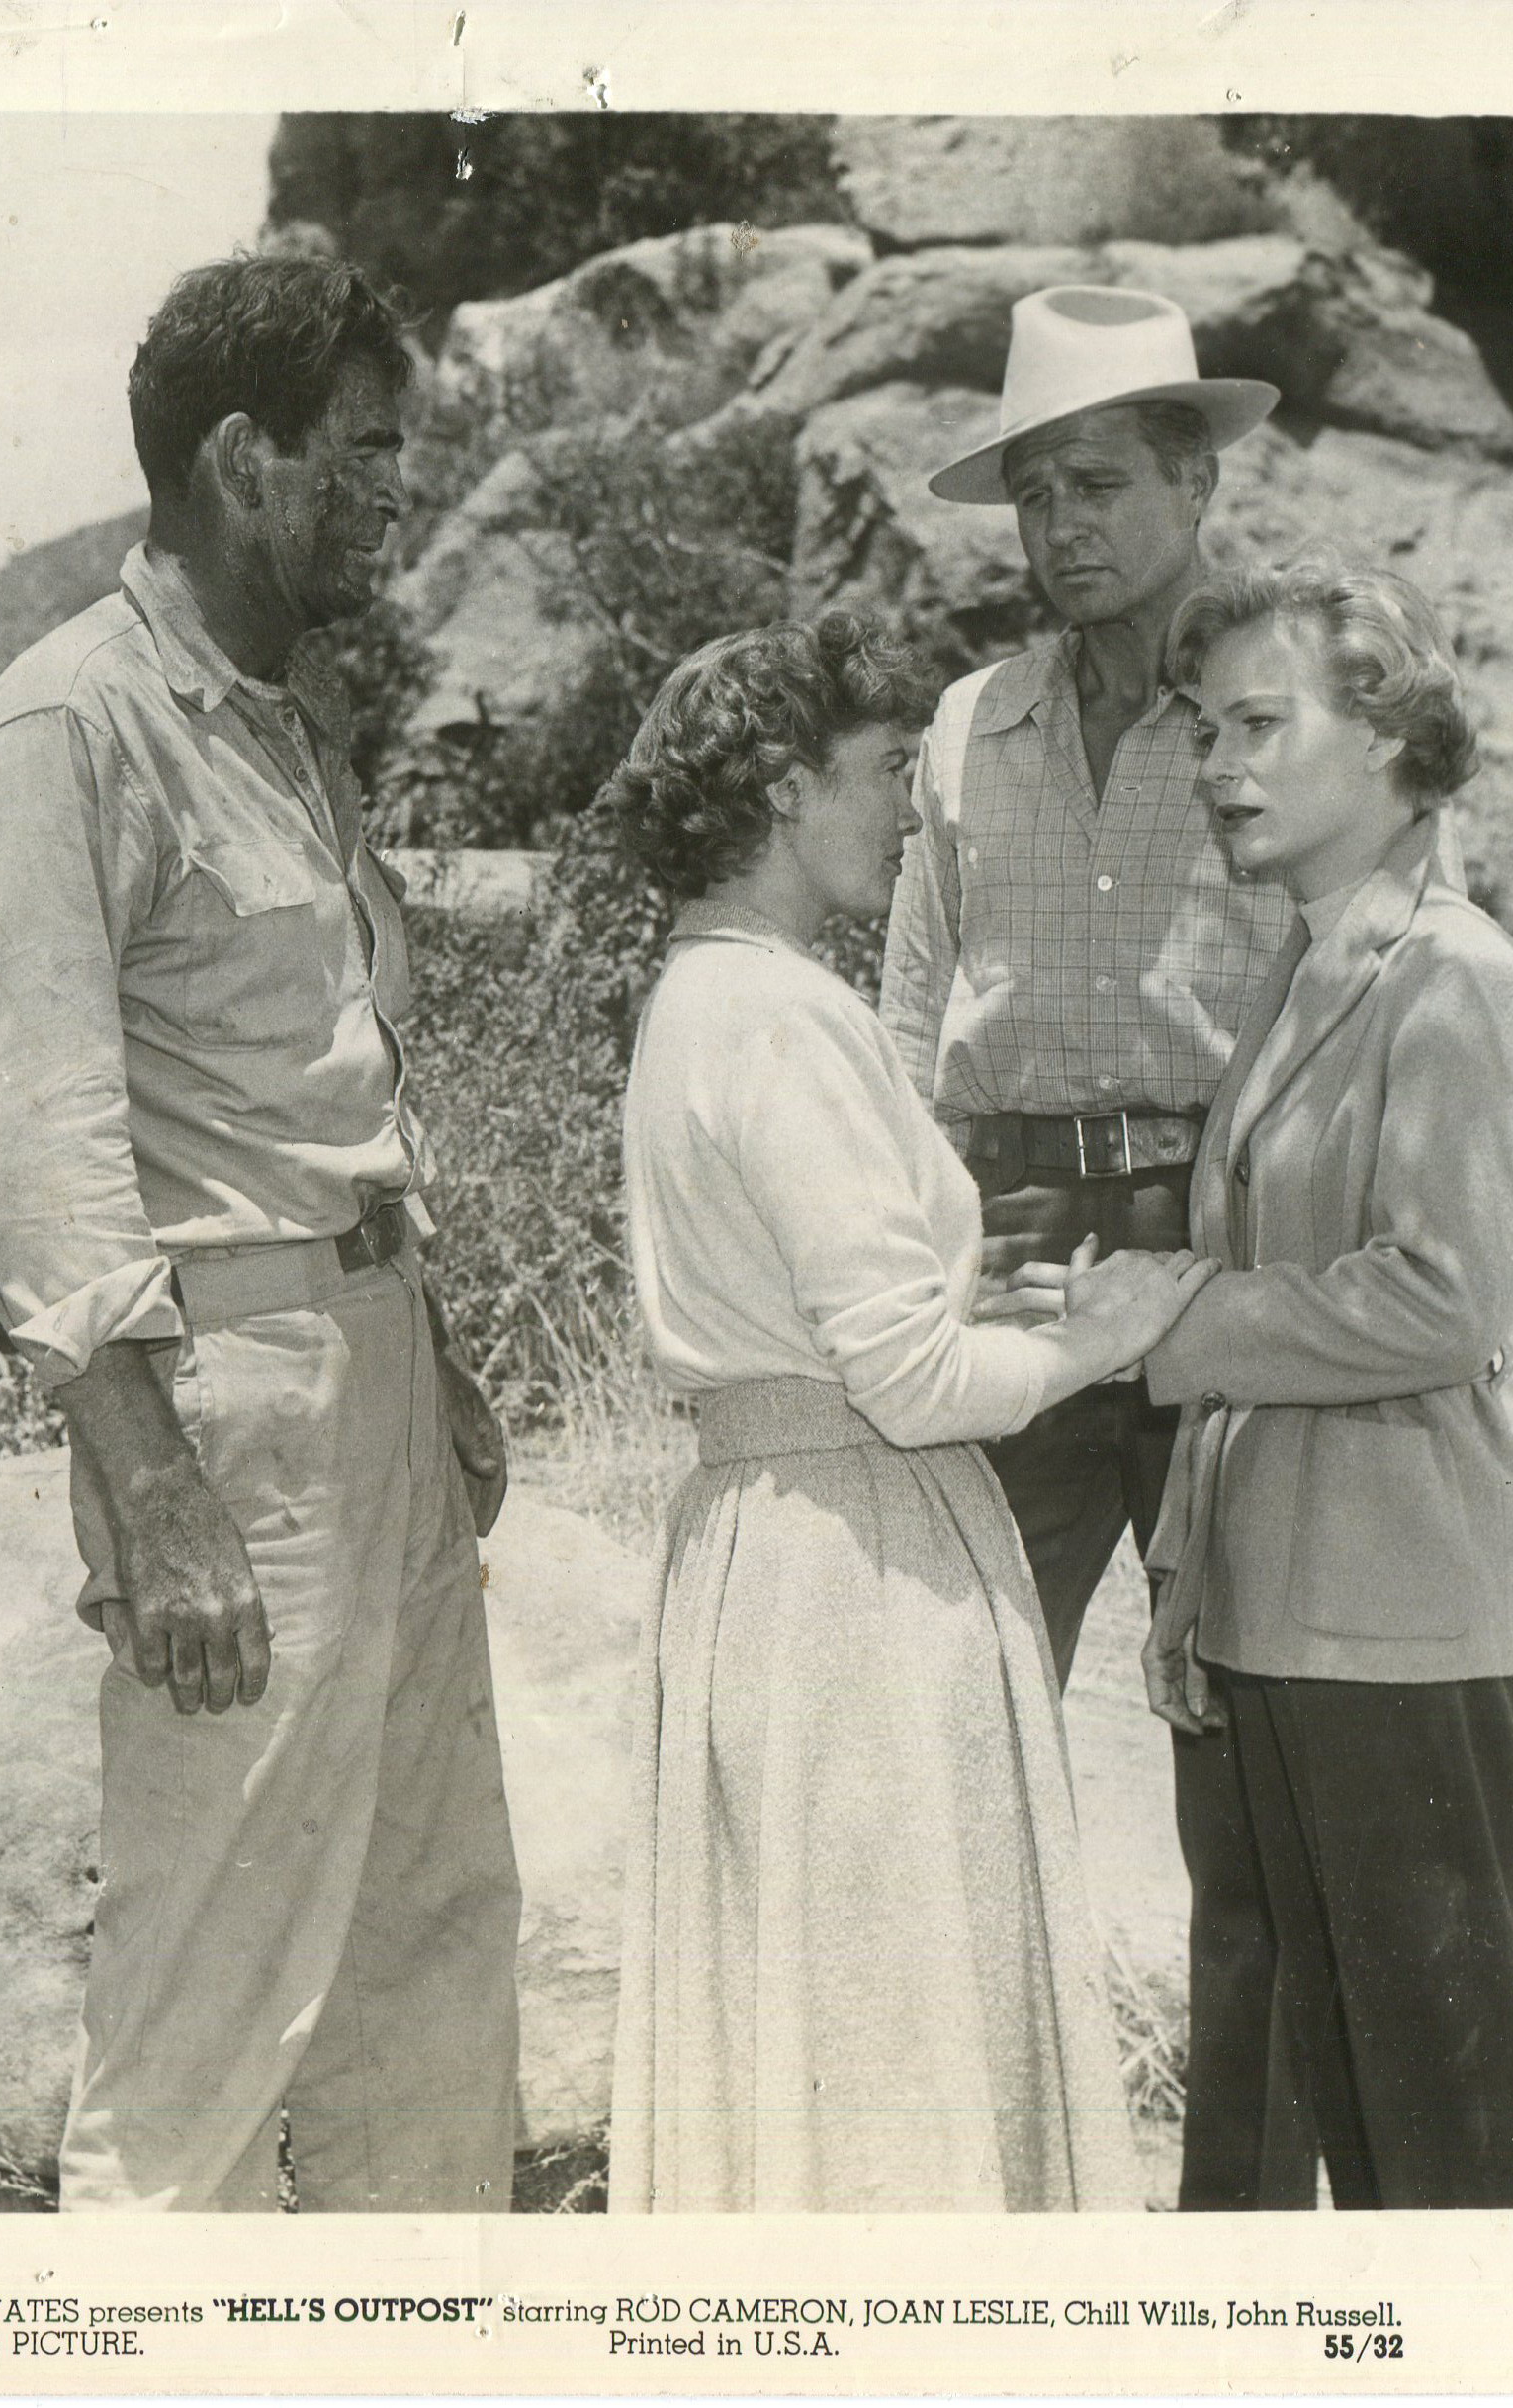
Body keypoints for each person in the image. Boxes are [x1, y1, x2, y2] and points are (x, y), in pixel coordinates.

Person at [0, 254, 522, 2213]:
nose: (390, 497)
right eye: (361, 455)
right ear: (239, 460)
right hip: (236, 1431)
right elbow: (26, 1149)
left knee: (424, 1981)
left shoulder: (275, 726)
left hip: (371, 1397)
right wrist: (155, 1491)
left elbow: (318, 1087)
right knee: (198, 2042)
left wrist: (424, 1359)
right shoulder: (70, 731)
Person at [604, 612, 1214, 2213]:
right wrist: (1104, 1332)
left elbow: (874, 1299)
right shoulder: (785, 1019)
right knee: (895, 2044)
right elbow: (904, 1376)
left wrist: (1020, 1306)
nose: (903, 810)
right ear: (782, 785)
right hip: (859, 1567)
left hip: (773, 1544)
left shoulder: (700, 999)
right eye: (881, 774)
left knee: (819, 2027)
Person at [1137, 561, 1513, 2210]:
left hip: (1399, 1627)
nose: (1219, 766)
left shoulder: (1450, 973)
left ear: (1386, 736)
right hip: (1277, 1617)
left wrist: (1160, 1329)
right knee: (1331, 2095)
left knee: (1444, 2152)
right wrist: (1189, 1577)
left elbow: (1437, 1304)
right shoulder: (1309, 964)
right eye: (1202, 732)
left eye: (1260, 722)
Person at [880, 285, 1298, 1685]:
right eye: (1033, 494)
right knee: (971, 1678)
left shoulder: (1300, 723)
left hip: (1229, 1236)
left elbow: (1397, 1001)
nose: (1062, 526)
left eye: (1101, 484)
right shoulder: (968, 726)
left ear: (1196, 481)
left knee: (1245, 1693)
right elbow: (909, 1014)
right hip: (1013, 1243)